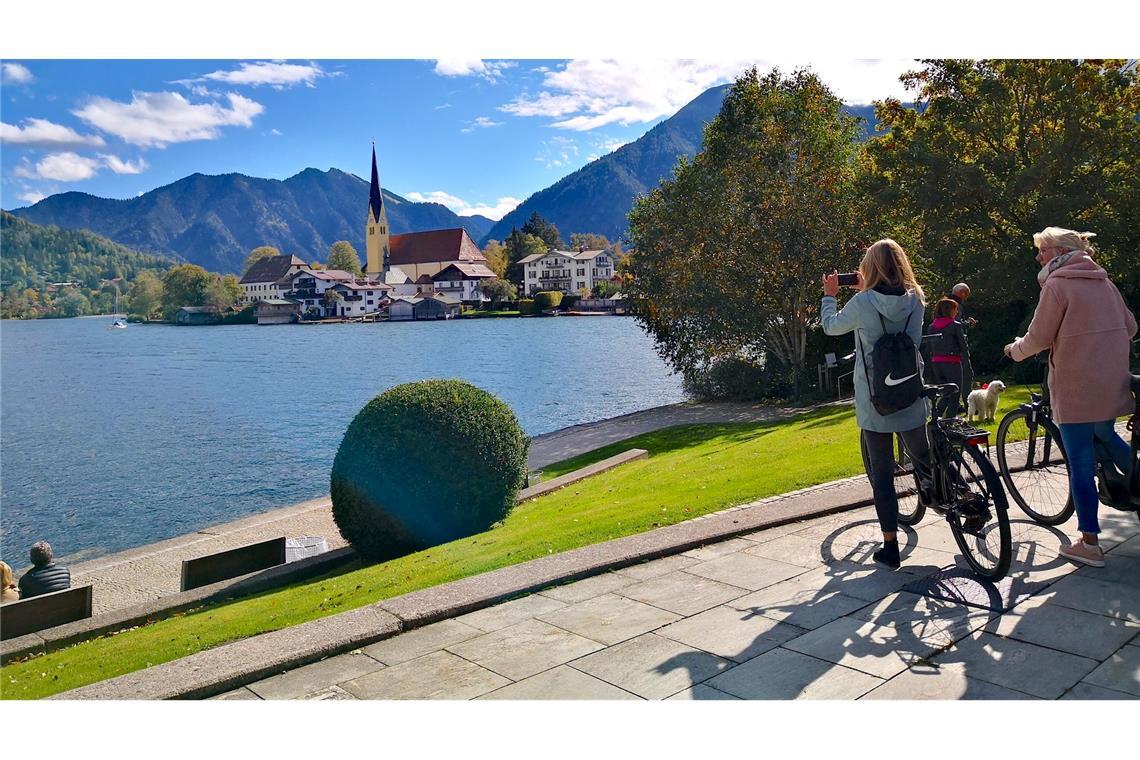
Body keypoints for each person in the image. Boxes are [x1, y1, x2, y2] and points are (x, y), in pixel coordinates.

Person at [1005, 227, 1137, 567]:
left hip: (1077, 386)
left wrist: (1013, 350)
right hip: (1111, 382)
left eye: (1042, 251)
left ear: (1060, 252)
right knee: (1106, 434)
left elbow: (1038, 337)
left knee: (1079, 461)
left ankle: (1089, 542)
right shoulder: (1105, 283)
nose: (1038, 257)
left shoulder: (1057, 285)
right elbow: (1131, 327)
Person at [822, 239, 930, 569]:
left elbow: (831, 327)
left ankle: (890, 546)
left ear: (872, 268)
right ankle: (951, 497)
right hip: (910, 389)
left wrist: (829, 295)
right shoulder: (917, 298)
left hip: (876, 398)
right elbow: (913, 341)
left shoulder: (863, 301)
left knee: (881, 473)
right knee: (925, 457)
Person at [925, 298, 971, 417]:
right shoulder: (955, 325)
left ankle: (936, 417)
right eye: (955, 309)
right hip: (952, 362)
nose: (957, 312)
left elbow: (929, 346)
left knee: (945, 393)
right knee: (955, 394)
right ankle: (950, 422)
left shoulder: (931, 326)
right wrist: (966, 359)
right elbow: (963, 345)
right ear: (951, 310)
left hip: (937, 362)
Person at [947, 283, 977, 406]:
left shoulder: (944, 302)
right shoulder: (955, 305)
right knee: (966, 375)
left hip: (945, 347)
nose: (965, 298)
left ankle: (953, 405)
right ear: (962, 293)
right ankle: (969, 404)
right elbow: (956, 325)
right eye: (966, 295)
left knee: (952, 377)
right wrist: (968, 324)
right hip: (958, 346)